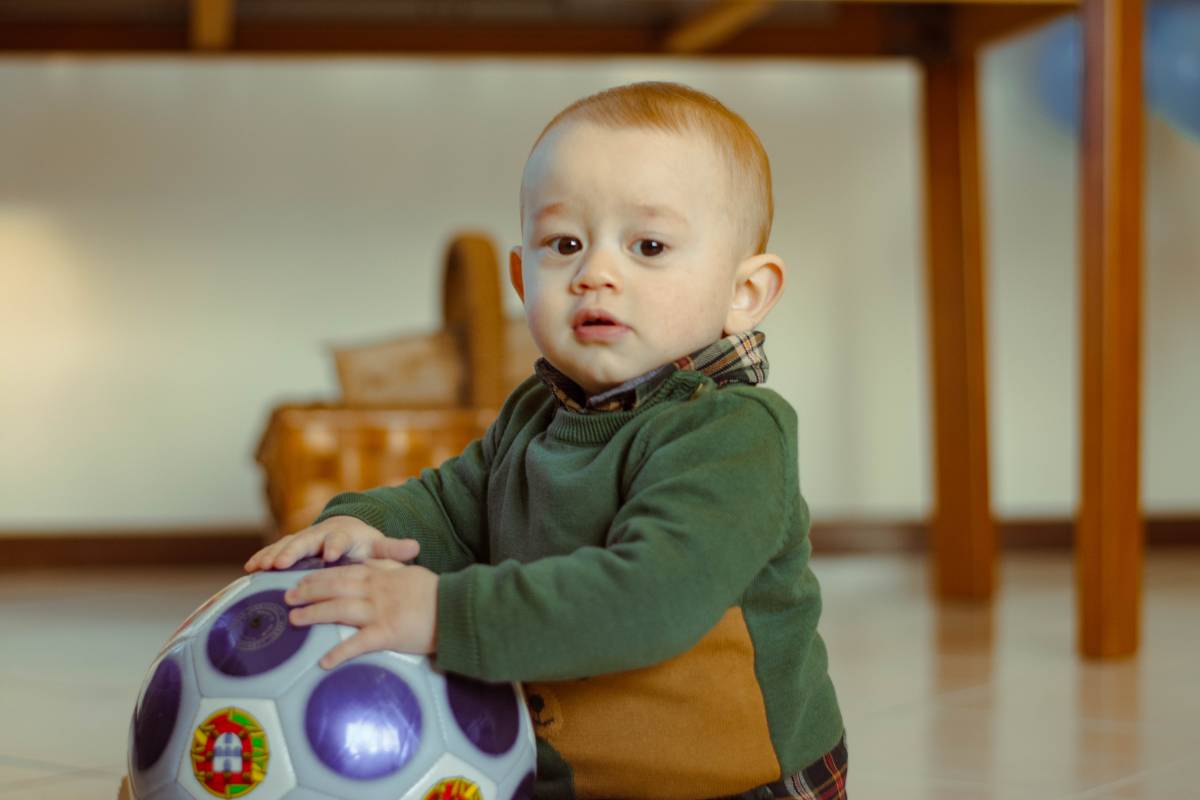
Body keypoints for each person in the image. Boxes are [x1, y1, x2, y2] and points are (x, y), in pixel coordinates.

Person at [245, 81, 846, 800]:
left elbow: (651, 599)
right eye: (565, 244)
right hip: (564, 768)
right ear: (522, 276)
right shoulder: (538, 408)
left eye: (648, 245)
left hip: (731, 782)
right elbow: (449, 505)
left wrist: (439, 612)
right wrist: (361, 526)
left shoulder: (733, 433)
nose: (596, 273)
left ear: (743, 295)